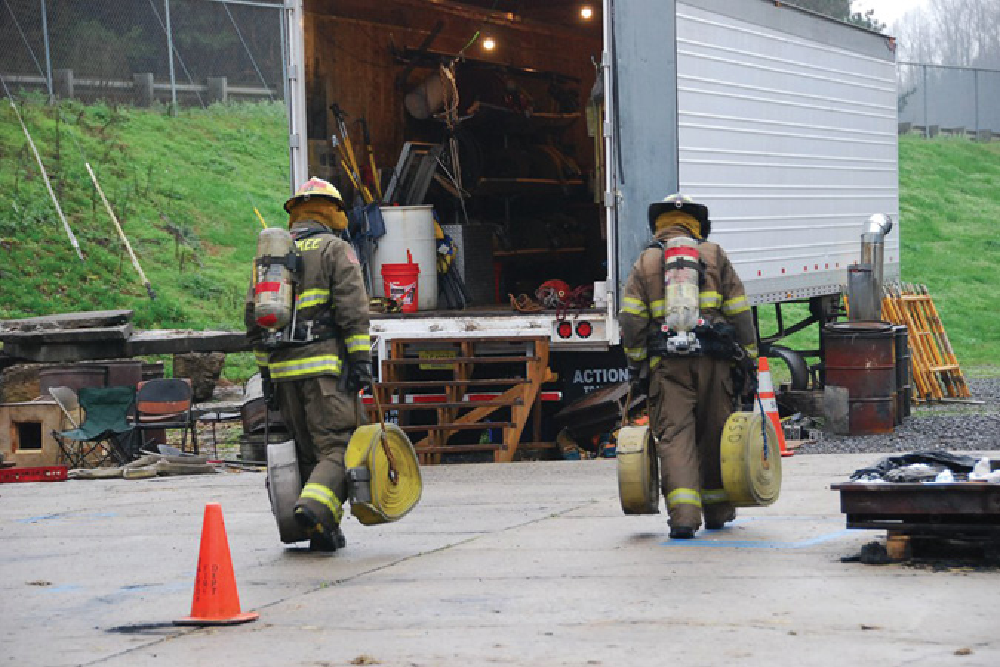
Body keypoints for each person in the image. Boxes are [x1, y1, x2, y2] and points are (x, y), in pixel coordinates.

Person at [619, 193, 758, 539]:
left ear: (658, 226)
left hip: (668, 366)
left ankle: (683, 518)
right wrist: (749, 358)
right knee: (715, 433)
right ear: (698, 225)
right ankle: (718, 511)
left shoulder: (646, 263)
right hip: (716, 362)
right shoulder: (714, 255)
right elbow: (740, 312)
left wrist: (637, 363)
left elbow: (632, 321)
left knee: (675, 438)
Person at [246, 177, 372, 552]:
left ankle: (322, 532)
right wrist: (361, 361)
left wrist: (266, 374)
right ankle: (314, 509)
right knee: (336, 446)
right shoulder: (336, 249)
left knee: (305, 451)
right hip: (323, 370)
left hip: (282, 372)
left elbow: (253, 320)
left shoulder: (271, 260)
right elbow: (353, 309)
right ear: (330, 211)